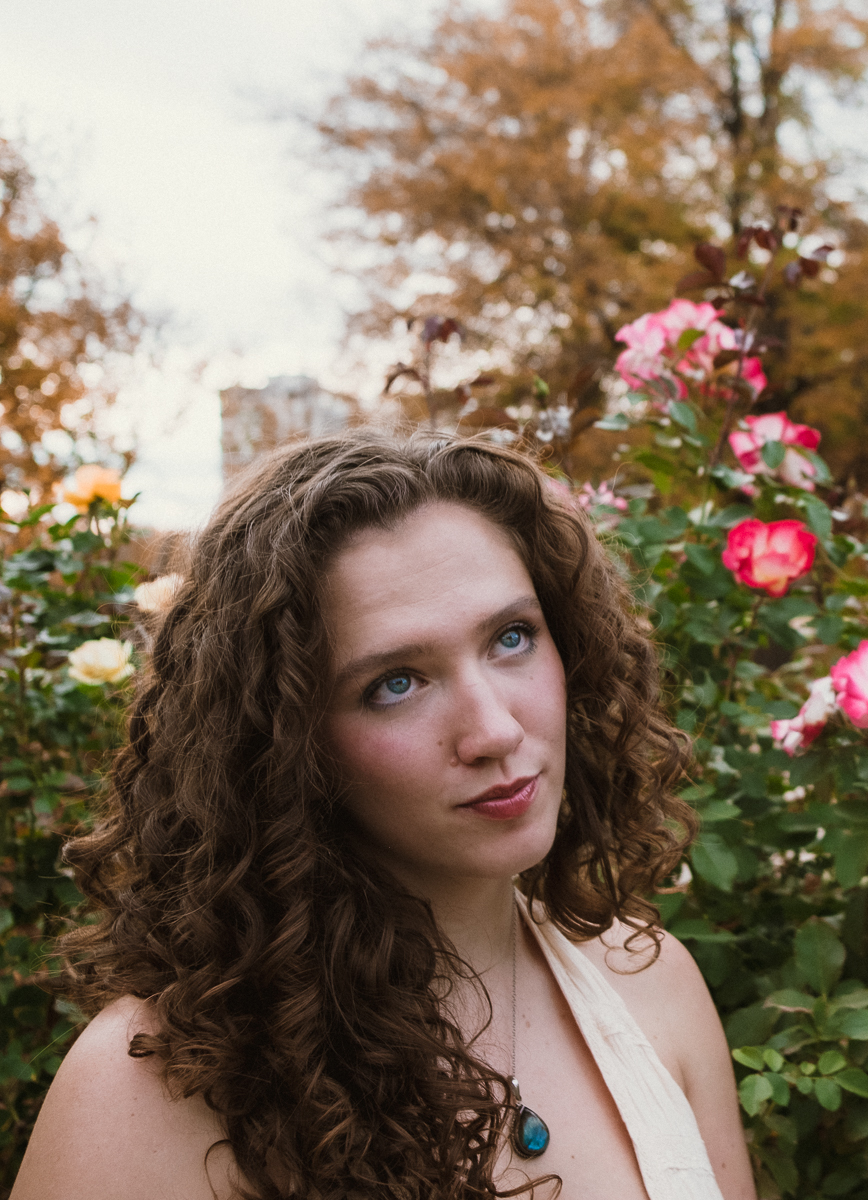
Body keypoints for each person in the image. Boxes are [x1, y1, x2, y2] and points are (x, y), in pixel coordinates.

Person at [14, 431, 756, 1200]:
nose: (496, 729)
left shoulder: (653, 984)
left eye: (511, 638)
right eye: (397, 683)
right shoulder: (148, 1088)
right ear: (284, 744)